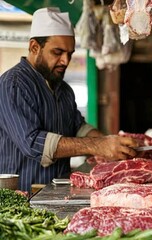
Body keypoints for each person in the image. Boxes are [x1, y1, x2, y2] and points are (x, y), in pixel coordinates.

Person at [0, 8, 139, 192]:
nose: (65, 61)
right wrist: (100, 146)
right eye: (57, 52)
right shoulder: (14, 84)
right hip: (22, 199)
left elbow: (78, 127)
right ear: (34, 47)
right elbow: (34, 144)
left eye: (70, 53)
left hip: (56, 194)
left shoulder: (64, 89)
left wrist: (112, 144)